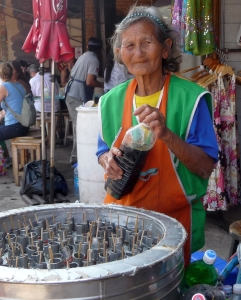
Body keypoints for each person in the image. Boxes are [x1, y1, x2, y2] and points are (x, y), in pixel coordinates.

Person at [96, 5, 218, 266]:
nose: (138, 52)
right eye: (129, 45)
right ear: (120, 54)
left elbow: (205, 167)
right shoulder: (110, 102)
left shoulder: (191, 99)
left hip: (174, 223)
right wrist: (106, 159)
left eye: (146, 42)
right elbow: (102, 151)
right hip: (122, 219)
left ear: (165, 48)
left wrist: (166, 135)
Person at [65, 37, 104, 165]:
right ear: (100, 50)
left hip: (72, 93)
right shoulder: (93, 60)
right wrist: (105, 85)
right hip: (76, 95)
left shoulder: (84, 56)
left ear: (88, 47)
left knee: (80, 126)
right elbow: (90, 81)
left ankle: (78, 155)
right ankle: (75, 158)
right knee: (79, 128)